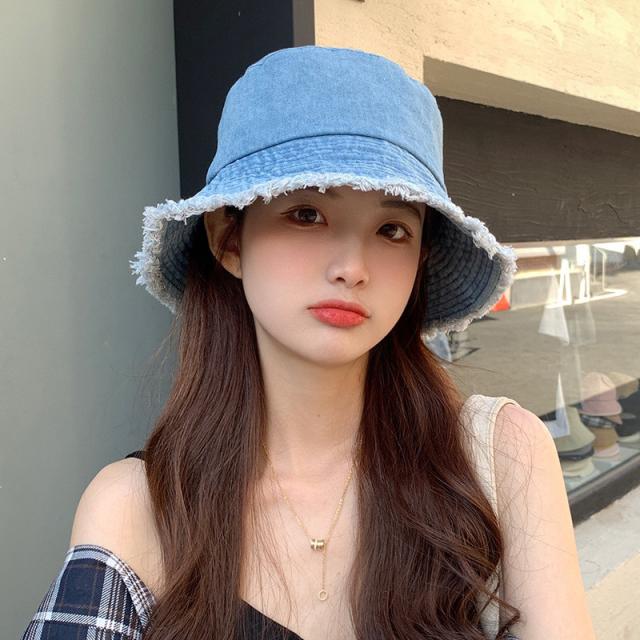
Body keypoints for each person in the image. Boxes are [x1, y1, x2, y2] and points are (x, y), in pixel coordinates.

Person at [21, 45, 595, 640]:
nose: (352, 267)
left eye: (392, 229)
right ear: (229, 240)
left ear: (420, 259)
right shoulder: (139, 509)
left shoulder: (495, 459)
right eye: (306, 214)